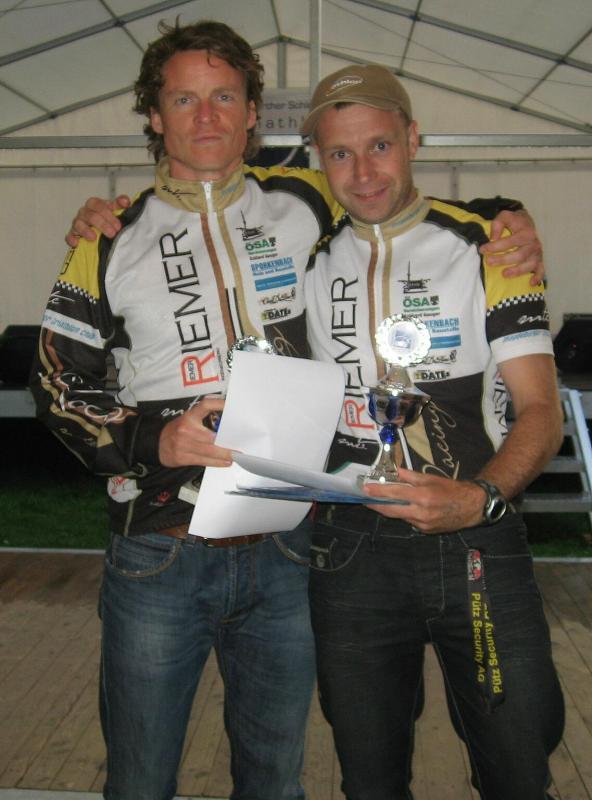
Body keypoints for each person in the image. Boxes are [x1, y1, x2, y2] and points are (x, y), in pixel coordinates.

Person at [53, 22, 545, 800]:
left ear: (253, 113)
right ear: (154, 114)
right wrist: (153, 438)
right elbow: (58, 386)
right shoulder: (107, 237)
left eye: (225, 97)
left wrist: (509, 215)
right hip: (159, 551)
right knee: (139, 782)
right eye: (184, 99)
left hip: (289, 546)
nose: (206, 117)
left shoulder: (306, 200)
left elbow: (399, 199)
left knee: (277, 781)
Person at [301, 64, 565, 799]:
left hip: (478, 539)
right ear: (321, 161)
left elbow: (540, 412)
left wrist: (480, 498)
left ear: (413, 139)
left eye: (380, 146)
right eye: (341, 153)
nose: (363, 172)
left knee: (519, 768)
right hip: (350, 552)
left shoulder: (490, 246)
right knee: (368, 781)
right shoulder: (310, 262)